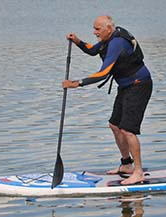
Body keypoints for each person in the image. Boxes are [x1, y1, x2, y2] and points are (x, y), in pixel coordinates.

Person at [63, 15, 152, 185]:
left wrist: (77, 83)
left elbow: (103, 73)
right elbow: (92, 50)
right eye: (94, 28)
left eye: (97, 29)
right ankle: (126, 165)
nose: (94, 32)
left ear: (108, 29)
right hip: (126, 86)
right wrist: (77, 41)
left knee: (128, 130)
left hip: (139, 85)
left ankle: (138, 172)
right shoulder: (109, 38)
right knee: (115, 125)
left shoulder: (117, 43)